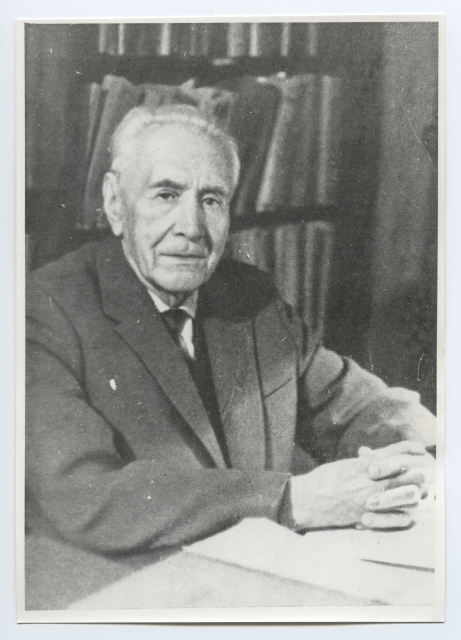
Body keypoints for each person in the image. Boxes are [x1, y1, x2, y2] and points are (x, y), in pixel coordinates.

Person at [26, 105, 436, 558]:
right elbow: (82, 494)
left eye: (211, 200)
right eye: (166, 194)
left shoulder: (249, 297)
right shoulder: (43, 309)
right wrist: (291, 500)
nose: (191, 228)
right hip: (129, 584)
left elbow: (355, 403)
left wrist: (426, 452)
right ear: (115, 203)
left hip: (262, 571)